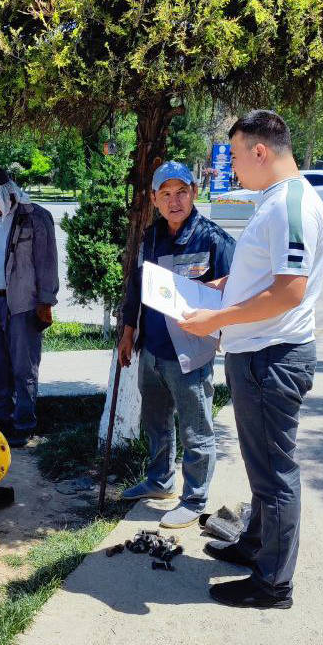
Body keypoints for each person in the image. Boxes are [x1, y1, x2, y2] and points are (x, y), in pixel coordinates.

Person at [179, 110, 323, 609]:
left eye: (235, 156)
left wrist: (214, 319)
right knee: (262, 465)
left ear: (260, 151)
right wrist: (225, 288)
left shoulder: (289, 204)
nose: (232, 168)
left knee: (275, 475)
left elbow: (289, 291)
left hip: (271, 359)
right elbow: (268, 276)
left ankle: (273, 584)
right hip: (259, 353)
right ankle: (256, 545)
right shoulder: (278, 200)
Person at [118, 162, 235, 528]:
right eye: (165, 194)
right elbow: (137, 287)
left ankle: (195, 498)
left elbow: (236, 295)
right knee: (155, 421)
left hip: (190, 355)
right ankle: (160, 481)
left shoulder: (214, 240)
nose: (174, 200)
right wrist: (127, 331)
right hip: (152, 351)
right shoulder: (150, 237)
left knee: (195, 429)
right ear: (154, 199)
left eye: (181, 191)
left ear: (194, 193)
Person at [0, 166, 59, 448]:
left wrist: (46, 302)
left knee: (23, 367)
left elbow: (47, 263)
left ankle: (23, 423)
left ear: (5, 193)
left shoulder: (35, 217)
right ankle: (0, 419)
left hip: (23, 305)